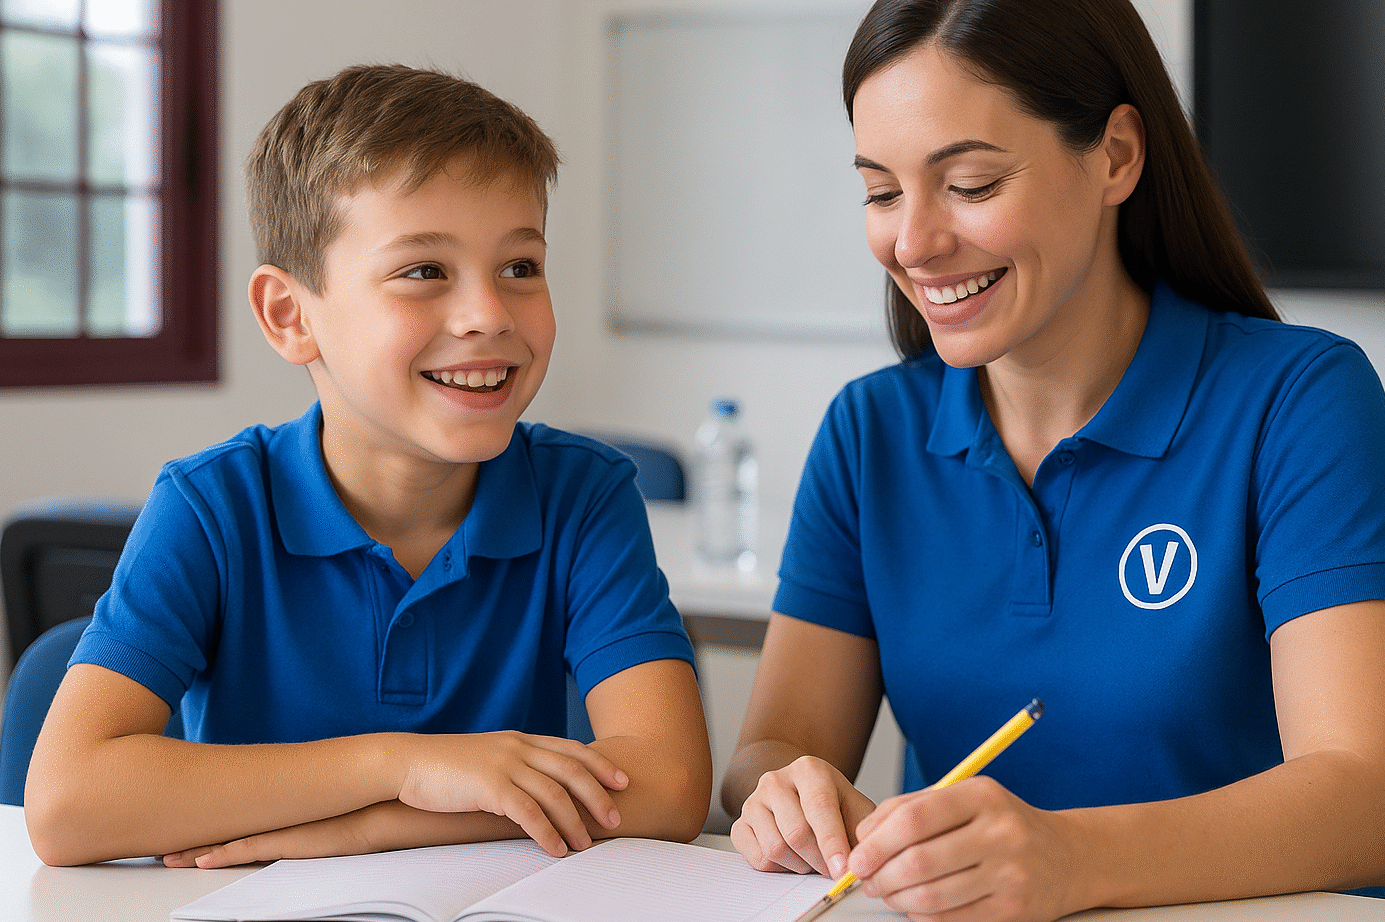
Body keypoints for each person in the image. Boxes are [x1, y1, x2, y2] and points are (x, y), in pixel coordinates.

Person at [721, 0, 1385, 918]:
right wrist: (785, 795)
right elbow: (773, 749)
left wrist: (1067, 857)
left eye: (971, 184)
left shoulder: (1299, 397)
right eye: (879, 191)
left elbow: (1363, 793)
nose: (912, 242)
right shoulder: (868, 430)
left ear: (1115, 155)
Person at [25, 63, 711, 868]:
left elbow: (667, 786)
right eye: (424, 272)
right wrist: (404, 765)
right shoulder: (212, 506)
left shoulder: (582, 495)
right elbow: (68, 804)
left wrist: (375, 826)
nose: (488, 314)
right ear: (290, 316)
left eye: (519, 267)